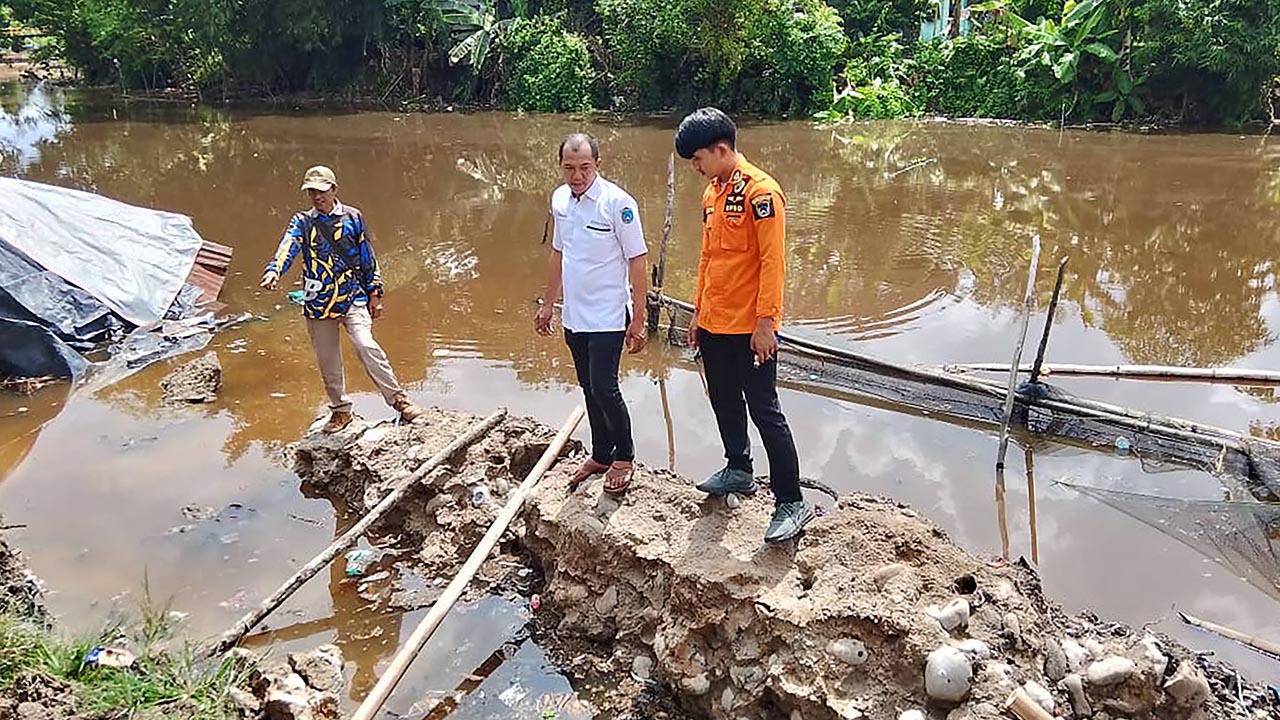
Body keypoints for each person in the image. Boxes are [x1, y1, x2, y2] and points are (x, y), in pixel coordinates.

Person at [674, 108, 813, 543]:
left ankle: (791, 500)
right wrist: (698, 313)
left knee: (765, 410)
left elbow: (773, 263)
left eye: (698, 159)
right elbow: (708, 259)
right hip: (715, 322)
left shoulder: (762, 193)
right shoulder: (713, 194)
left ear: (721, 149)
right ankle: (738, 468)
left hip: (751, 327)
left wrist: (767, 323)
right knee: (723, 400)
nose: (696, 169)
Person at [261, 165, 422, 433]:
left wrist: (375, 293)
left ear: (334, 189)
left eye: (322, 191)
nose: (317, 197)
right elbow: (288, 245)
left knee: (366, 345)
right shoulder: (303, 222)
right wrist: (274, 270)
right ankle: (341, 410)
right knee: (328, 360)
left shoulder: (353, 218)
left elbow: (366, 256)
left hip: (352, 297)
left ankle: (399, 401)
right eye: (312, 192)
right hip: (318, 302)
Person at [536, 133, 649, 494]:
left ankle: (625, 455)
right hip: (575, 314)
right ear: (560, 167)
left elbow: (638, 261)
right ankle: (601, 451)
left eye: (585, 167)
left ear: (598, 165)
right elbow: (558, 253)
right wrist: (548, 303)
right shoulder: (559, 200)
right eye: (569, 168)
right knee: (587, 386)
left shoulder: (618, 204)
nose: (577, 175)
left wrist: (639, 319)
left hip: (609, 313)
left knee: (604, 385)